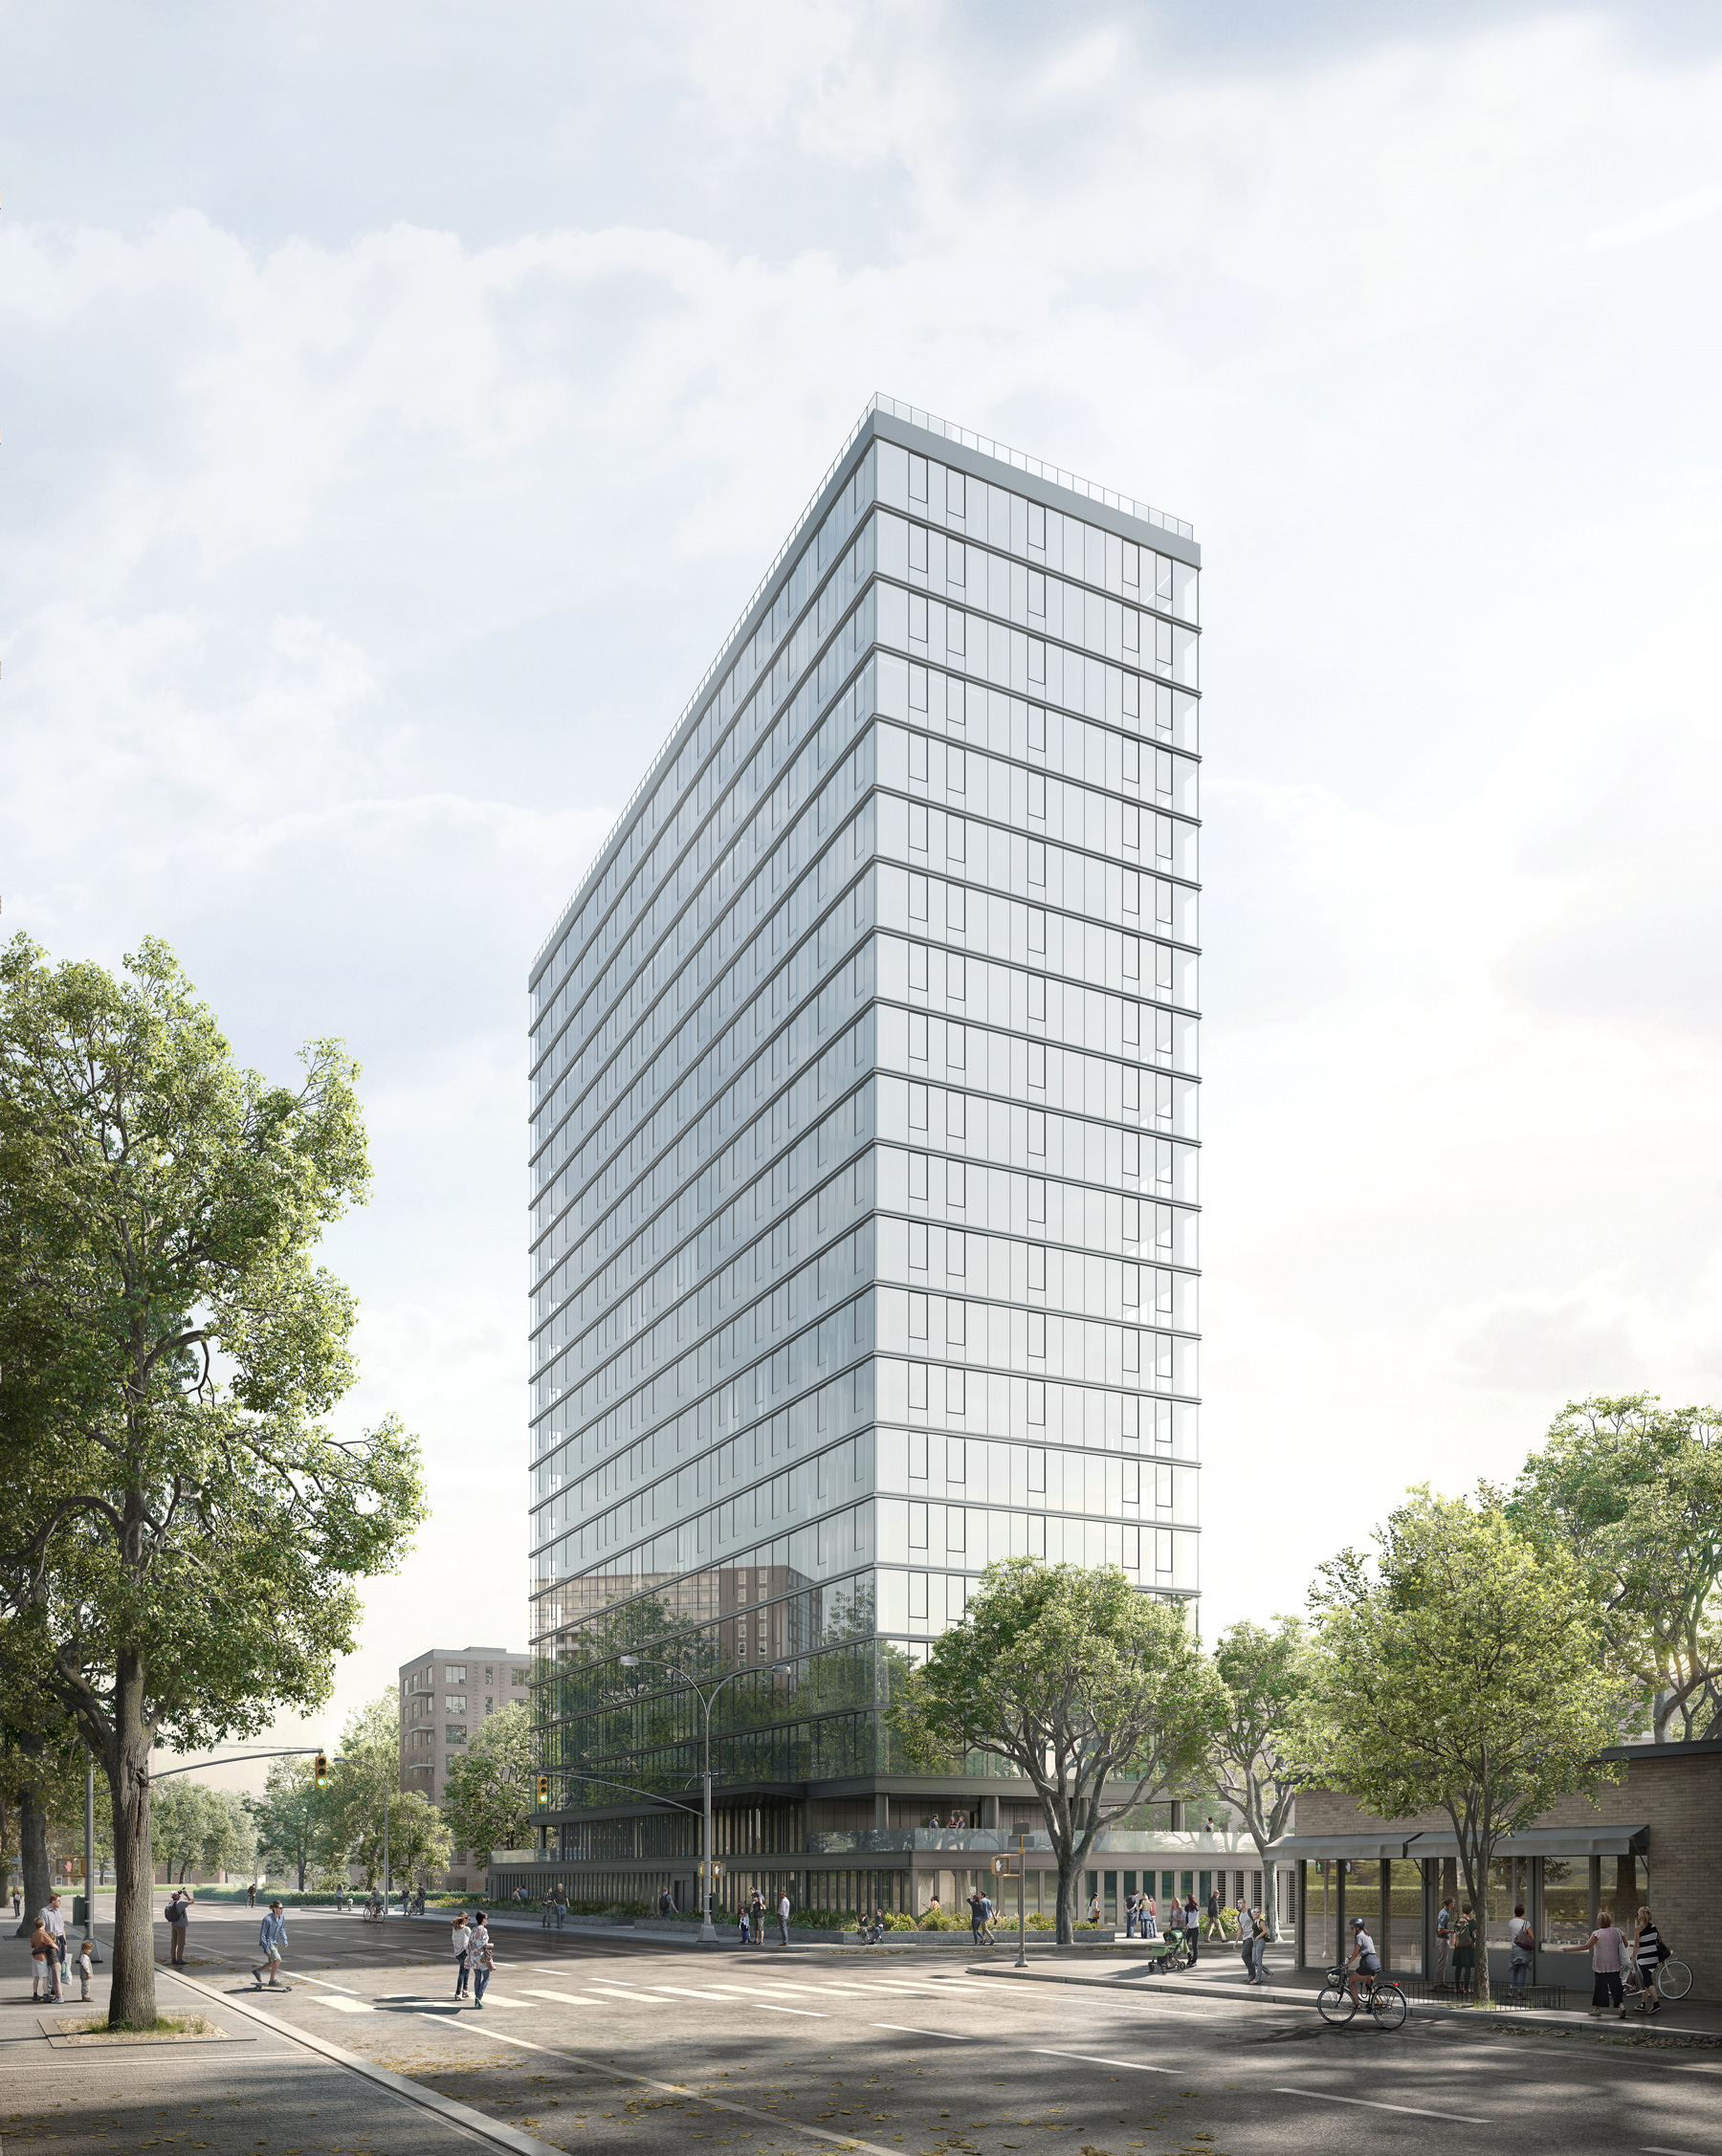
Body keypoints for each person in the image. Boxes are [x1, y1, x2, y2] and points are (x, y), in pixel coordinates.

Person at [1565, 1906, 1627, 2019]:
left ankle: (1597, 2009)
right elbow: (1626, 1945)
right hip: (1614, 1963)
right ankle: (1621, 2005)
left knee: (1600, 1986)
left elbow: (1586, 1946)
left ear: (1599, 1922)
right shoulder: (1618, 1931)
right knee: (1616, 1985)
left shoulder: (1597, 1933)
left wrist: (1569, 1949)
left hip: (1601, 1964)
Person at [1630, 1905, 1665, 2015]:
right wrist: (1662, 1959)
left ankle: (1656, 2004)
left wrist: (1632, 1961)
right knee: (1646, 1980)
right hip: (1654, 1959)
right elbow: (1659, 1942)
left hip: (1644, 1959)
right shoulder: (1654, 1927)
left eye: (1638, 1914)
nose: (1637, 1916)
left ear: (1641, 1917)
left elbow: (1636, 1946)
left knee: (1648, 1982)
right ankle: (1643, 2004)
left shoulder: (1638, 1929)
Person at [1342, 1914, 1380, 2007]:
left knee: (1351, 1981)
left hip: (1367, 1963)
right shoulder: (1367, 1935)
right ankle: (1380, 2003)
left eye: (1352, 1928)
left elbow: (1355, 1954)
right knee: (1368, 1985)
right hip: (1376, 1962)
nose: (1351, 1930)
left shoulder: (1359, 1937)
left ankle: (1357, 2004)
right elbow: (1363, 1950)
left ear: (1358, 1928)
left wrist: (1347, 1965)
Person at [254, 1901, 289, 1991]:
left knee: (271, 1963)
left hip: (275, 1942)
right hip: (268, 1942)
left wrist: (285, 1940)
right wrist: (266, 1948)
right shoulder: (267, 1919)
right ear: (275, 1909)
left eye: (282, 1908)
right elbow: (262, 1935)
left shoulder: (281, 1917)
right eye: (280, 1908)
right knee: (278, 1959)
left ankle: (257, 1972)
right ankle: (272, 1980)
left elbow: (282, 1929)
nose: (282, 1910)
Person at [1507, 1903, 1535, 2001]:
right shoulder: (1526, 1923)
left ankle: (1512, 1990)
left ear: (1515, 1912)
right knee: (1522, 1971)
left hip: (1514, 1948)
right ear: (1523, 1913)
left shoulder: (1511, 1922)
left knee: (1515, 1970)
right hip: (1523, 1949)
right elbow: (1532, 1937)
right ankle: (1520, 1992)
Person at [40, 1893, 68, 1985]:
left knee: (58, 1964)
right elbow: (42, 1929)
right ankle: (50, 1987)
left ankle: (55, 1987)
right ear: (53, 1901)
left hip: (60, 1940)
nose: (60, 1902)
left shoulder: (59, 1912)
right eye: (58, 1900)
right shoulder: (44, 1912)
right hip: (50, 1940)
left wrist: (65, 1943)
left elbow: (62, 1928)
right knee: (51, 1965)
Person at [469, 1912, 495, 2007]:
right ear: (483, 1919)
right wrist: (490, 1945)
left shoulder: (473, 1929)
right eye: (487, 1918)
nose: (487, 1920)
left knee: (477, 1978)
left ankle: (477, 2000)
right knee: (487, 1976)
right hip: (480, 1957)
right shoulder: (484, 1930)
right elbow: (483, 1944)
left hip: (473, 1957)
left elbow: (470, 1943)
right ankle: (478, 1997)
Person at [1451, 1903, 1477, 1996]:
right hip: (1468, 1947)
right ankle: (1466, 1988)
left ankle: (1457, 1988)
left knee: (1458, 1968)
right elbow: (1476, 1933)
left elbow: (1455, 1933)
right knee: (1467, 1968)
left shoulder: (1459, 1920)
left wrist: (1455, 1943)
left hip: (1458, 1947)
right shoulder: (1472, 1922)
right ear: (1471, 1911)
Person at [166, 1887, 191, 1968]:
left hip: (174, 1924)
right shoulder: (180, 1903)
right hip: (181, 1925)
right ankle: (179, 1959)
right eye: (178, 1893)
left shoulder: (171, 1903)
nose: (179, 1894)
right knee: (180, 1943)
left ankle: (173, 1958)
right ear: (176, 1895)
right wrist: (186, 1894)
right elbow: (192, 1902)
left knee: (173, 1942)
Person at [1433, 1895, 1454, 1989]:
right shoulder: (1445, 1914)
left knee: (1444, 1961)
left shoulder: (1443, 1911)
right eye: (1453, 1903)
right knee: (1442, 1961)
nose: (1454, 1904)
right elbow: (1440, 1929)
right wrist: (1450, 1931)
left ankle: (1441, 1982)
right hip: (1443, 1939)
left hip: (1442, 1939)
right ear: (1450, 1904)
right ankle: (1437, 1983)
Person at [452, 1910, 472, 1998]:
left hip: (458, 1952)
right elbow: (471, 1941)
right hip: (464, 1952)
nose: (468, 1921)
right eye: (468, 1919)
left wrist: (456, 1953)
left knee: (467, 1970)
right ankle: (458, 1993)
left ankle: (465, 1990)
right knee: (462, 1972)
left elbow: (454, 1940)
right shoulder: (466, 1929)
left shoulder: (454, 1928)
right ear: (464, 1919)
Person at [1238, 1901, 1257, 1981]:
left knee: (1244, 1955)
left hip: (1251, 1937)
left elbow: (1256, 1921)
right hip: (1245, 1938)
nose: (1239, 1905)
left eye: (1240, 1903)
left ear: (1245, 1903)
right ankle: (1252, 1975)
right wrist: (1236, 1941)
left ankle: (1252, 1973)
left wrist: (1255, 1934)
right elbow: (1240, 1929)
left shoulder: (1251, 1912)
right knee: (1249, 1956)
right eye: (1238, 1903)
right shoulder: (1239, 1915)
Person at [1249, 1905, 1269, 1986]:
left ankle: (1257, 1979)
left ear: (1260, 1913)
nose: (1256, 1913)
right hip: (1255, 1941)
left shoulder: (1261, 1921)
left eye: (1257, 1912)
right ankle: (1268, 1972)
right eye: (1254, 1912)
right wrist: (1253, 1937)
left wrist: (1257, 1937)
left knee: (1258, 1961)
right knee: (1254, 1961)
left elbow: (1265, 1931)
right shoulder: (1255, 1920)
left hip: (1260, 1942)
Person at [1183, 1893, 1201, 1966]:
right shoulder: (1187, 1907)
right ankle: (1189, 1957)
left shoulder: (1195, 1907)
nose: (1185, 1900)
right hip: (1189, 1928)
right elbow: (1184, 1915)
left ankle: (1194, 1960)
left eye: (1186, 1899)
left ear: (1190, 1900)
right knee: (1185, 1944)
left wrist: (1188, 1925)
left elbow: (1194, 1919)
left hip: (1195, 1928)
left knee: (1194, 1945)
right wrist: (1180, 1912)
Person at [75, 1937, 94, 2001]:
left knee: (86, 1984)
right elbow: (86, 1965)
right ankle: (85, 1996)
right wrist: (88, 1972)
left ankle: (86, 1996)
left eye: (90, 1949)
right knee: (86, 1985)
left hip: (85, 1974)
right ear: (84, 1949)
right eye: (88, 1949)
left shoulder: (84, 1956)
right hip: (85, 1974)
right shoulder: (84, 1957)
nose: (90, 1951)